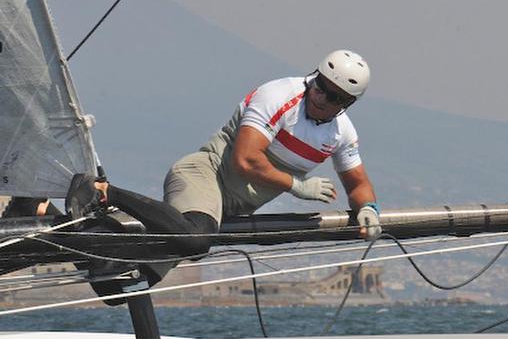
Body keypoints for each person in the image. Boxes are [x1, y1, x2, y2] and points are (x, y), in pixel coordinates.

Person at [64, 49, 382, 255]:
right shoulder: (279, 96)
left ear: (348, 103)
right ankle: (104, 190)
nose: (322, 97)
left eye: (335, 96)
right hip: (207, 176)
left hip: (229, 208)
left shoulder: (342, 133)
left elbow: (358, 185)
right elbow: (245, 159)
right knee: (195, 240)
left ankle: (62, 232)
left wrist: (368, 209)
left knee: (115, 278)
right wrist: (296, 186)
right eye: (320, 86)